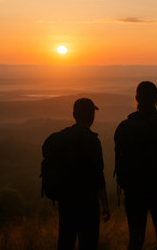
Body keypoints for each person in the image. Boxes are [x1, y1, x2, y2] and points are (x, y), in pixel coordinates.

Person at [114, 81, 157, 250]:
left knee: (136, 239)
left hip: (134, 192)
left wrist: (124, 184)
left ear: (136, 98)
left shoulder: (124, 127)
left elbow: (119, 162)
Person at [43, 98, 110, 250]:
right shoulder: (93, 141)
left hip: (66, 202)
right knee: (88, 243)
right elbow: (99, 177)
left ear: (74, 114)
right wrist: (105, 205)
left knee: (65, 242)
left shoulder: (63, 138)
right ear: (92, 116)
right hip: (88, 203)